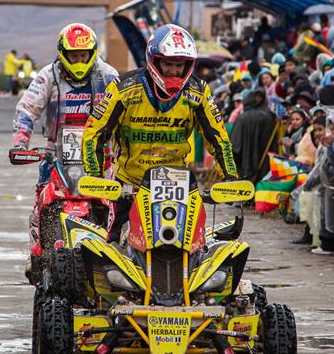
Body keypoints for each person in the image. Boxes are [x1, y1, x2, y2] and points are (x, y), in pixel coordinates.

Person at [82, 24, 237, 241]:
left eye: (180, 65)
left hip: (178, 186)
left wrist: (229, 176)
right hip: (130, 187)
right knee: (109, 246)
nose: (174, 71)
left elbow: (218, 136)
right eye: (168, 64)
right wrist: (96, 176)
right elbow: (94, 131)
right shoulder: (123, 87)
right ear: (155, 60)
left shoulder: (198, 91)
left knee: (199, 245)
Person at [11, 23, 118, 256]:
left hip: (100, 156)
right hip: (55, 153)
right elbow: (27, 109)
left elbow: (127, 111)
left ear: (92, 53)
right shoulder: (48, 75)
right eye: (74, 55)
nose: (79, 60)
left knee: (119, 204)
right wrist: (20, 142)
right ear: (63, 53)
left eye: (83, 55)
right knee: (41, 202)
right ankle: (38, 254)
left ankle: (117, 251)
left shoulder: (109, 75)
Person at [231, 89, 277, 182]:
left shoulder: (242, 118)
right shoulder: (270, 116)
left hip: (245, 168)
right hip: (266, 167)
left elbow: (235, 145)